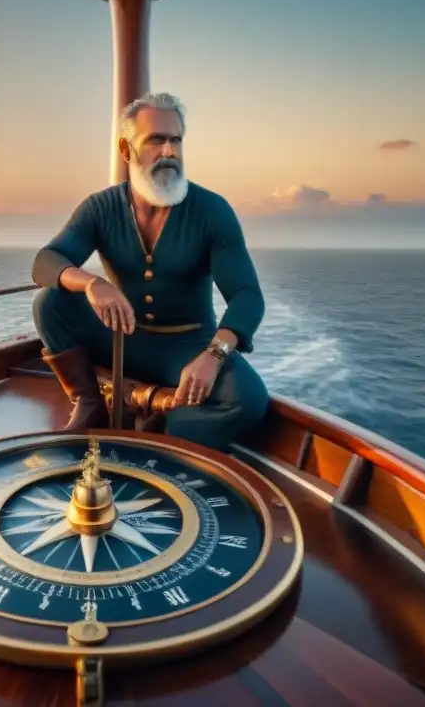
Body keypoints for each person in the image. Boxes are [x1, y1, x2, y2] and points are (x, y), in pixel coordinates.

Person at [31, 92, 269, 451]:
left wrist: (214, 355)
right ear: (127, 150)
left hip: (189, 346)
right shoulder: (101, 207)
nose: (169, 152)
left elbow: (247, 296)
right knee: (50, 302)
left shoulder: (212, 211)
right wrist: (92, 284)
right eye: (156, 140)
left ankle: (168, 424)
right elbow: (46, 261)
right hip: (120, 338)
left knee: (249, 400)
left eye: (176, 140)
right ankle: (90, 401)